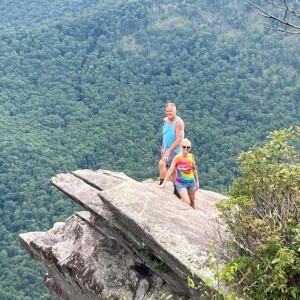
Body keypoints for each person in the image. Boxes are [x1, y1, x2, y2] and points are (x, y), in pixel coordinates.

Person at [160, 138, 199, 209]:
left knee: (192, 202)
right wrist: (164, 183)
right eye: (184, 147)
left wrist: (197, 182)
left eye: (188, 147)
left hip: (191, 183)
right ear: (181, 147)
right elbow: (170, 170)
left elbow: (194, 169)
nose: (186, 149)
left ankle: (193, 217)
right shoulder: (177, 157)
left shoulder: (191, 156)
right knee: (187, 202)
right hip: (181, 184)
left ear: (190, 148)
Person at [159, 102, 184, 198]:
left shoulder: (178, 122)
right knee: (173, 171)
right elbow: (165, 135)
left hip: (176, 151)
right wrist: (163, 148)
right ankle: (175, 190)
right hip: (167, 150)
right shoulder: (165, 121)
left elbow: (179, 140)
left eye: (171, 111)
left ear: (175, 111)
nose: (169, 113)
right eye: (167, 111)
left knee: (162, 164)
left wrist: (168, 151)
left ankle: (162, 184)